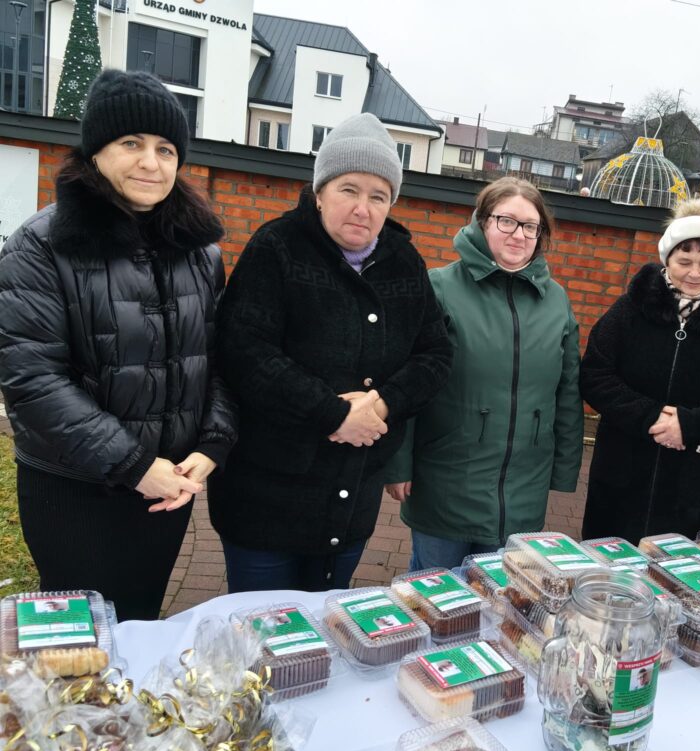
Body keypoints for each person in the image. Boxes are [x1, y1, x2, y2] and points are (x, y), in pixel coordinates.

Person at [0, 69, 237, 620]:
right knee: (82, 647)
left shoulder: (199, 251)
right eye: (131, 143)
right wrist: (133, 464)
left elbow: (221, 361)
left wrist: (211, 446)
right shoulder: (40, 245)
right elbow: (31, 379)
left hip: (166, 489)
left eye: (165, 148)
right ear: (95, 152)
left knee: (140, 623)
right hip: (74, 490)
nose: (150, 163)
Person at [208, 113, 452, 592]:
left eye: (378, 196)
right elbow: (245, 353)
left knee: (325, 638)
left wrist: (382, 403)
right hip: (266, 500)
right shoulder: (277, 247)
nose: (363, 208)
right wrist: (332, 414)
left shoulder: (403, 261)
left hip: (350, 500)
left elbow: (436, 353)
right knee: (263, 636)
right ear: (319, 192)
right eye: (349, 189)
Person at [384, 177, 584, 569]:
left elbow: (568, 389)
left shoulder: (555, 299)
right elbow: (406, 381)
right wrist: (397, 463)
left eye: (530, 226)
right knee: (434, 599)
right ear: (482, 222)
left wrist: (564, 468)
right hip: (447, 477)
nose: (518, 234)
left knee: (499, 605)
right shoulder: (439, 287)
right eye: (506, 221)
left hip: (524, 485)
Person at [580, 197, 700, 542]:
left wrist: (690, 424)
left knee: (675, 578)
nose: (695, 273)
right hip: (621, 475)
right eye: (684, 261)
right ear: (667, 259)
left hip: (694, 485)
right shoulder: (630, 310)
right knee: (606, 571)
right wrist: (651, 417)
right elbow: (595, 375)